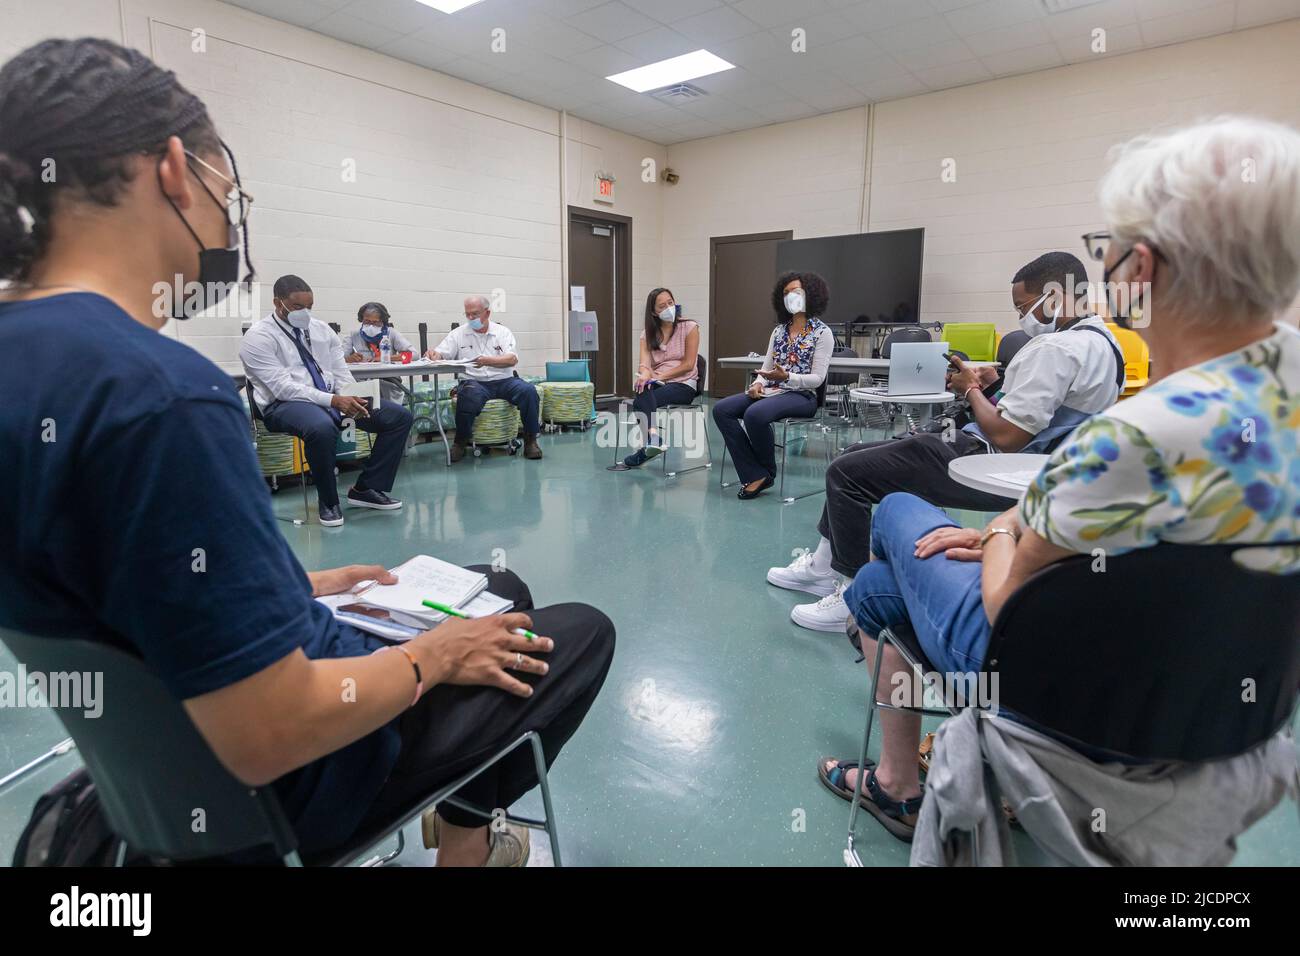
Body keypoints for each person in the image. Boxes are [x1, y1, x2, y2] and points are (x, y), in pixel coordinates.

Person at [0, 37, 615, 866]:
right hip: (299, 777)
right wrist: (429, 659)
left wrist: (297, 585)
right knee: (573, 632)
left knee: (497, 584)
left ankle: (462, 817)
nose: (229, 217)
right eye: (231, 191)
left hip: (161, 773)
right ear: (176, 171)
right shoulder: (162, 395)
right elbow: (270, 732)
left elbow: (126, 591)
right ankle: (466, 839)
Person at [817, 116, 1300, 843]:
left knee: (893, 523)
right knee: (887, 590)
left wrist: (1005, 528)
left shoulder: (1134, 440)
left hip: (1066, 697)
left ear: (1139, 268)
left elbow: (1007, 599)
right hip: (1222, 709)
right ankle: (897, 769)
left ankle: (896, 781)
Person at [769, 252, 1124, 631]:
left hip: (991, 460)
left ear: (1055, 297)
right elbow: (1047, 410)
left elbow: (1007, 437)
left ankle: (852, 595)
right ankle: (824, 566)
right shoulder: (1103, 342)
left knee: (846, 472)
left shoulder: (1056, 349)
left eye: (1024, 307)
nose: (1023, 317)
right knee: (856, 454)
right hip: (1034, 464)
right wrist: (993, 386)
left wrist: (970, 390)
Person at [240, 275, 413, 527]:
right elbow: (282, 388)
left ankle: (366, 489)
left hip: (331, 399)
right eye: (298, 307)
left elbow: (340, 372)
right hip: (283, 405)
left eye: (309, 307)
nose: (305, 313)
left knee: (398, 417)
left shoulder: (321, 330)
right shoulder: (259, 337)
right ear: (278, 303)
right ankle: (329, 502)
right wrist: (334, 400)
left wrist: (352, 395)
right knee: (321, 427)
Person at [712, 271, 833, 499]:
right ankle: (755, 472)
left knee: (754, 415)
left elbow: (817, 378)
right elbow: (766, 368)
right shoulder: (778, 331)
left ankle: (765, 472)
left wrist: (787, 377)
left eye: (796, 292)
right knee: (722, 410)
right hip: (773, 391)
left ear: (811, 294)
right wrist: (757, 383)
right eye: (786, 293)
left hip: (803, 396)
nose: (790, 297)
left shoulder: (823, 333)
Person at [426, 295, 541, 462]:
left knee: (529, 391)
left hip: (504, 381)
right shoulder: (458, 334)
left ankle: (531, 441)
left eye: (475, 314)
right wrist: (434, 354)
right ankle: (460, 442)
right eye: (467, 314)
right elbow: (441, 353)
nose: (471, 318)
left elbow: (512, 359)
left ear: (487, 313)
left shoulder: (502, 332)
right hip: (475, 382)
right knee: (467, 396)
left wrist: (487, 361)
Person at [616, 287, 700, 469]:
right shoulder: (647, 334)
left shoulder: (690, 327)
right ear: (654, 312)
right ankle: (653, 440)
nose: (668, 308)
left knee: (642, 401)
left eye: (670, 303)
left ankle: (650, 443)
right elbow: (645, 364)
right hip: (659, 383)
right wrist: (645, 375)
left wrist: (660, 375)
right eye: (662, 306)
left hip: (684, 384)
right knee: (642, 387)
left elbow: (688, 364)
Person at [345, 300, 414, 406]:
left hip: (388, 382)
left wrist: (387, 358)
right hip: (362, 383)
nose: (371, 326)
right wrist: (349, 359)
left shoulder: (392, 334)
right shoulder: (353, 335)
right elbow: (338, 359)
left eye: (376, 322)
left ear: (383, 322)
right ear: (361, 320)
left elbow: (413, 355)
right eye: (367, 322)